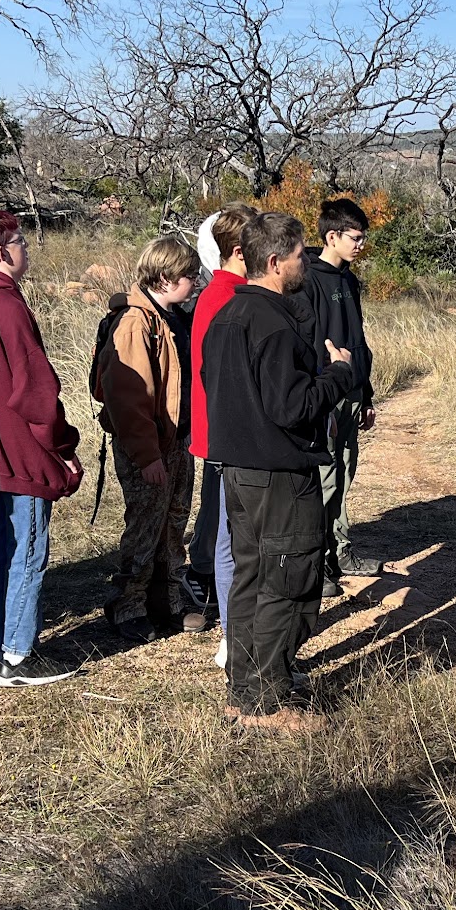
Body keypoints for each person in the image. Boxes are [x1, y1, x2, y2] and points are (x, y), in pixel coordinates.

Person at [201, 211, 359, 733]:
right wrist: (338, 374)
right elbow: (292, 407)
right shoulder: (269, 323)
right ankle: (267, 702)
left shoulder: (226, 315)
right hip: (277, 474)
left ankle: (243, 692)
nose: (304, 265)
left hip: (239, 471)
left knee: (250, 577)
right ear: (274, 261)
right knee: (285, 581)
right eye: (298, 257)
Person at [0, 210, 83, 688]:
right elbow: (35, 392)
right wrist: (62, 445)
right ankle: (17, 656)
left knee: (3, 550)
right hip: (22, 451)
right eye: (18, 240)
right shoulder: (7, 308)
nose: (25, 247)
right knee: (27, 552)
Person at [97, 235, 199, 642]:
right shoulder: (135, 323)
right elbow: (128, 399)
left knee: (174, 522)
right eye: (190, 276)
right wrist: (146, 455)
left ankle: (168, 602)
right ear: (165, 277)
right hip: (150, 447)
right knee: (144, 526)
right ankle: (128, 607)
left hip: (177, 441)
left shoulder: (170, 316)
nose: (195, 282)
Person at [298, 197, 379, 596]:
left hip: (351, 393)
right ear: (332, 236)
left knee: (345, 474)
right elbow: (311, 346)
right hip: (326, 396)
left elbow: (358, 339)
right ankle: (319, 565)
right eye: (355, 237)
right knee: (325, 480)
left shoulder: (349, 280)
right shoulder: (309, 279)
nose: (361, 244)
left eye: (363, 237)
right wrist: (322, 400)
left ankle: (341, 551)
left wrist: (365, 392)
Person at [187, 203, 256, 649]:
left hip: (218, 432)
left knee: (230, 532)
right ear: (236, 250)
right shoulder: (230, 300)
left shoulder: (217, 294)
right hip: (229, 436)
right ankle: (235, 636)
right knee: (235, 539)